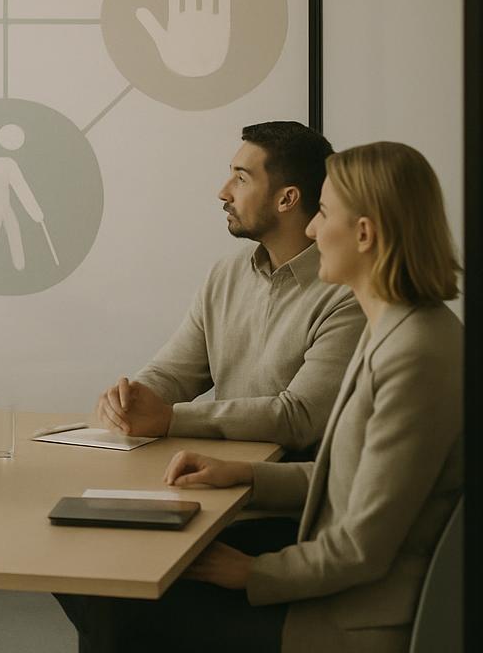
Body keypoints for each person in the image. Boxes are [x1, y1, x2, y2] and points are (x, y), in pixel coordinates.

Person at [59, 141, 463, 653]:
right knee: (108, 581)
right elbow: (357, 476)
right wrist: (247, 474)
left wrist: (253, 572)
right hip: (341, 579)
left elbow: (363, 546)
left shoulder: (412, 352)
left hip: (352, 615)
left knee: (115, 604)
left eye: (324, 213)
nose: (313, 230)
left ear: (364, 234)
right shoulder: (407, 329)